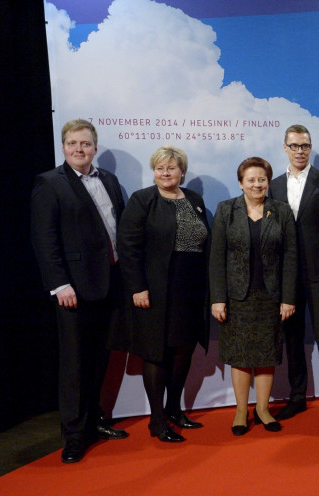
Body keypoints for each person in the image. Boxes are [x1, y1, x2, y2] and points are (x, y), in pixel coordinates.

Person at [30, 119, 129, 463]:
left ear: (95, 147)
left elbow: (119, 229)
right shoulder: (49, 183)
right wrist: (59, 283)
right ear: (63, 147)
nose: (78, 149)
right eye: (72, 143)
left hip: (111, 283)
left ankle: (94, 421)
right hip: (74, 288)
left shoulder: (110, 181)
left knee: (100, 357)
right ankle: (74, 435)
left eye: (85, 144)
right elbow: (45, 240)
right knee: (74, 364)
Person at [117, 145, 210, 443]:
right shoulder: (143, 199)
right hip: (155, 290)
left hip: (190, 289)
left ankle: (174, 409)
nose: (166, 172)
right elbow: (128, 246)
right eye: (160, 168)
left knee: (184, 350)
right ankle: (157, 421)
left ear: (182, 171)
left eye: (171, 167)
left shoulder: (194, 200)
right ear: (154, 171)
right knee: (157, 353)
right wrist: (137, 287)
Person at [209, 157, 297, 435]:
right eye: (251, 179)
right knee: (240, 355)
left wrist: (288, 297)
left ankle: (262, 409)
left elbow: (291, 257)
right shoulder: (226, 210)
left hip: (271, 297)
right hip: (236, 297)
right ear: (241, 183)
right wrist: (218, 297)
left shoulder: (281, 211)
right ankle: (240, 410)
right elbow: (216, 258)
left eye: (262, 179)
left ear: (268, 182)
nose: (257, 184)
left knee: (266, 354)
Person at [269, 125, 319, 426]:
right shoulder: (272, 185)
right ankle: (297, 397)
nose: (300, 150)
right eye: (295, 145)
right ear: (284, 148)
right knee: (292, 339)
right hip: (286, 276)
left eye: (305, 145)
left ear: (310, 148)